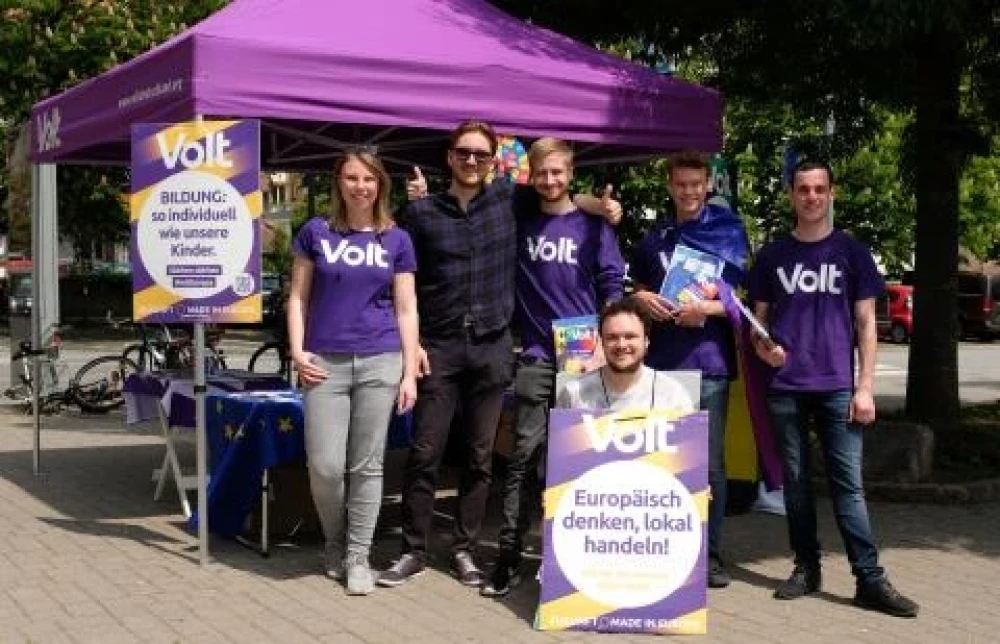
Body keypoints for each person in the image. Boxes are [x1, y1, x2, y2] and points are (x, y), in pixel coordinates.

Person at [379, 121, 621, 589]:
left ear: (494, 161)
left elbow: (569, 203)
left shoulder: (511, 200)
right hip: (447, 346)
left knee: (486, 455)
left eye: (481, 155)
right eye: (464, 153)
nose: (472, 161)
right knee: (427, 451)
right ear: (449, 156)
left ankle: (470, 550)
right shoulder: (423, 213)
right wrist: (415, 346)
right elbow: (403, 285)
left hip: (528, 348)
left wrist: (603, 206)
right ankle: (414, 550)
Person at [748, 160, 918, 618]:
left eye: (819, 189)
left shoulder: (852, 253)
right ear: (791, 195)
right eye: (803, 189)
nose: (811, 197)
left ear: (830, 193)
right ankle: (807, 569)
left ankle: (869, 579)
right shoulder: (772, 256)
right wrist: (763, 348)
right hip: (785, 386)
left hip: (838, 387)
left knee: (850, 488)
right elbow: (756, 325)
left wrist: (865, 388)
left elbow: (867, 324)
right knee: (797, 487)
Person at [480, 137, 626, 597]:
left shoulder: (594, 227)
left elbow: (611, 284)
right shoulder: (520, 217)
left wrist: (606, 341)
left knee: (581, 458)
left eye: (558, 172)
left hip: (584, 356)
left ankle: (576, 555)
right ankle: (508, 554)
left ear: (570, 173)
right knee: (522, 457)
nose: (550, 180)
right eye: (542, 172)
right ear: (533, 175)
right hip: (537, 357)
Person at [287, 150, 418, 596]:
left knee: (367, 465)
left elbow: (406, 306)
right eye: (351, 178)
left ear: (380, 185)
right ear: (339, 183)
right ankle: (334, 541)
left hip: (381, 359)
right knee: (324, 466)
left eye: (368, 179)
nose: (360, 186)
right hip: (325, 362)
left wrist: (409, 372)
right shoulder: (315, 233)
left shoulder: (396, 239)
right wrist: (297, 349)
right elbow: (298, 298)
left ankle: (358, 556)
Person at [629, 149, 749, 588]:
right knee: (664, 460)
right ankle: (665, 548)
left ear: (708, 185)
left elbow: (743, 298)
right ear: (670, 187)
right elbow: (638, 286)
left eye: (696, 184)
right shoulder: (655, 236)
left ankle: (709, 556)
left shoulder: (729, 231)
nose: (689, 192)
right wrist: (641, 297)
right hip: (662, 363)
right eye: (681, 184)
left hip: (710, 362)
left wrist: (708, 308)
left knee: (711, 466)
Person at [557, 297, 697, 413]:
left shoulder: (673, 396)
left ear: (646, 341)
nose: (621, 345)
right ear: (602, 342)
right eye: (612, 337)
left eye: (630, 336)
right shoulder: (573, 394)